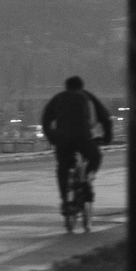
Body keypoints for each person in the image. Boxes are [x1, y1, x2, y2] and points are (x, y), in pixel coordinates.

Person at [41, 76, 113, 214]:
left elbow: (45, 121)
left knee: (62, 167)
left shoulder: (58, 99)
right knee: (95, 157)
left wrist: (52, 138)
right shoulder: (87, 97)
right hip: (84, 138)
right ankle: (87, 178)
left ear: (66, 86)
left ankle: (65, 201)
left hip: (63, 140)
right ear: (82, 86)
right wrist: (107, 138)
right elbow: (106, 119)